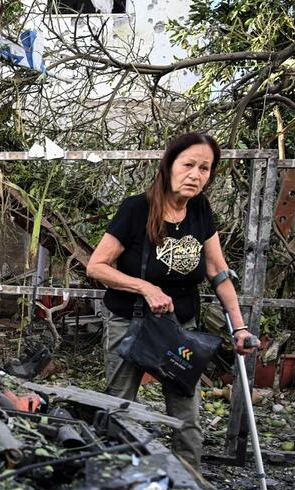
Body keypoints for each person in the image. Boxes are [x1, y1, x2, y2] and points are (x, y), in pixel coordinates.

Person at [86, 132, 254, 468]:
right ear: (169, 166)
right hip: (130, 324)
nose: (196, 175)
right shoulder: (137, 209)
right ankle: (115, 478)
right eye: (189, 165)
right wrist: (145, 288)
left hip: (180, 328)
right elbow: (97, 266)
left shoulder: (200, 210)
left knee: (186, 413)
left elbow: (217, 270)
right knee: (119, 407)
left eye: (205, 168)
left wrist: (240, 326)